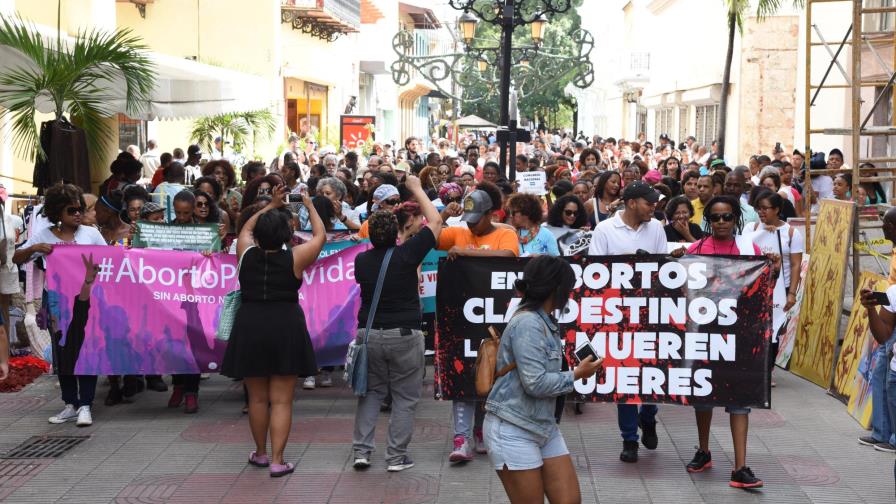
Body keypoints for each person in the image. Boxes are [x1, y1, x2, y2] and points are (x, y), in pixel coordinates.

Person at [221, 184, 324, 478]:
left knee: (256, 398)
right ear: (286, 235)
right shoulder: (295, 257)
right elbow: (320, 236)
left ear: (258, 235)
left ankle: (261, 453)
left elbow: (245, 228)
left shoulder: (245, 252)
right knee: (281, 400)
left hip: (250, 324)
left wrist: (269, 206)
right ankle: (279, 460)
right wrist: (308, 205)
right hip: (286, 325)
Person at [484, 255, 602, 503]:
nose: (569, 294)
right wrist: (577, 374)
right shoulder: (528, 323)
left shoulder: (544, 320)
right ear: (556, 288)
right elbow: (535, 383)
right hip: (513, 427)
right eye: (568, 288)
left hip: (543, 426)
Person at [351, 176, 442, 472]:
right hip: (404, 334)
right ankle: (396, 456)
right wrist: (416, 188)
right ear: (397, 232)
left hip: (369, 335)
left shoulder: (361, 262)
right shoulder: (407, 254)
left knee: (370, 394)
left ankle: (362, 452)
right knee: (404, 397)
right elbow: (436, 222)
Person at [685, 195, 775, 489]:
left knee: (740, 401)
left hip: (740, 337)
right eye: (715, 217)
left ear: (736, 218)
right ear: (708, 221)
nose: (721, 222)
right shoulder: (696, 250)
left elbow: (763, 290)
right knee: (703, 396)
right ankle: (703, 450)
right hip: (705, 333)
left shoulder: (750, 249)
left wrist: (771, 269)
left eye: (727, 217)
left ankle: (740, 467)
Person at [437, 182, 519, 463]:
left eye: (476, 219)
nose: (471, 225)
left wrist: (466, 253)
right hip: (462, 320)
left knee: (488, 374)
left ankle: (481, 431)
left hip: (492, 320)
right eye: (468, 220)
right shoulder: (458, 231)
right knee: (462, 374)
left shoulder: (505, 233)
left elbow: (508, 255)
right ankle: (461, 438)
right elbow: (430, 238)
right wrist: (444, 215)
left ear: (490, 214)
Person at [587, 181, 666, 463]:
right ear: (632, 203)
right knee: (625, 376)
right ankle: (629, 438)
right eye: (649, 202)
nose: (653, 207)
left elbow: (662, 268)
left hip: (650, 313)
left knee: (652, 372)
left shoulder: (656, 228)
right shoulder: (605, 229)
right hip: (618, 315)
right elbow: (595, 272)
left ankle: (649, 415)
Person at [48, 253, 100, 427]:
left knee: (85, 363)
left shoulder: (74, 327)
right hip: (56, 288)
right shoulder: (58, 332)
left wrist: (88, 281)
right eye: (53, 307)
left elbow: (82, 303)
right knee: (62, 364)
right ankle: (70, 405)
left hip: (81, 289)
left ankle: (85, 406)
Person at [859, 207, 896, 454]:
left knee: (886, 374)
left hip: (891, 312)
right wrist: (874, 307)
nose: (883, 228)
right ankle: (884, 433)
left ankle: (887, 435)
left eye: (886, 224)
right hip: (889, 309)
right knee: (883, 373)